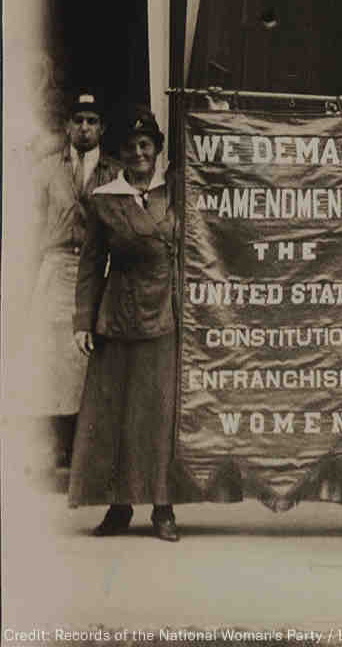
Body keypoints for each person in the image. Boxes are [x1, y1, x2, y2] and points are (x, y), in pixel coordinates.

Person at [69, 109, 183, 541]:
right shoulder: (104, 198)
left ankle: (163, 508)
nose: (139, 154)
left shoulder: (173, 194)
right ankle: (119, 507)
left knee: (158, 415)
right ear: (120, 153)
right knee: (116, 415)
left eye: (146, 146)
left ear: (157, 151)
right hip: (117, 317)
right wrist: (83, 321)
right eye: (132, 147)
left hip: (165, 317)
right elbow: (91, 264)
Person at [25, 91, 120, 476]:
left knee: (89, 353)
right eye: (78, 120)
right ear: (67, 126)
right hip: (57, 263)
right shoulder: (46, 170)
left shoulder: (114, 173)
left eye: (92, 120)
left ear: (102, 128)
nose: (84, 127)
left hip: (97, 267)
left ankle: (88, 445)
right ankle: (57, 444)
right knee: (50, 354)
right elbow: (31, 224)